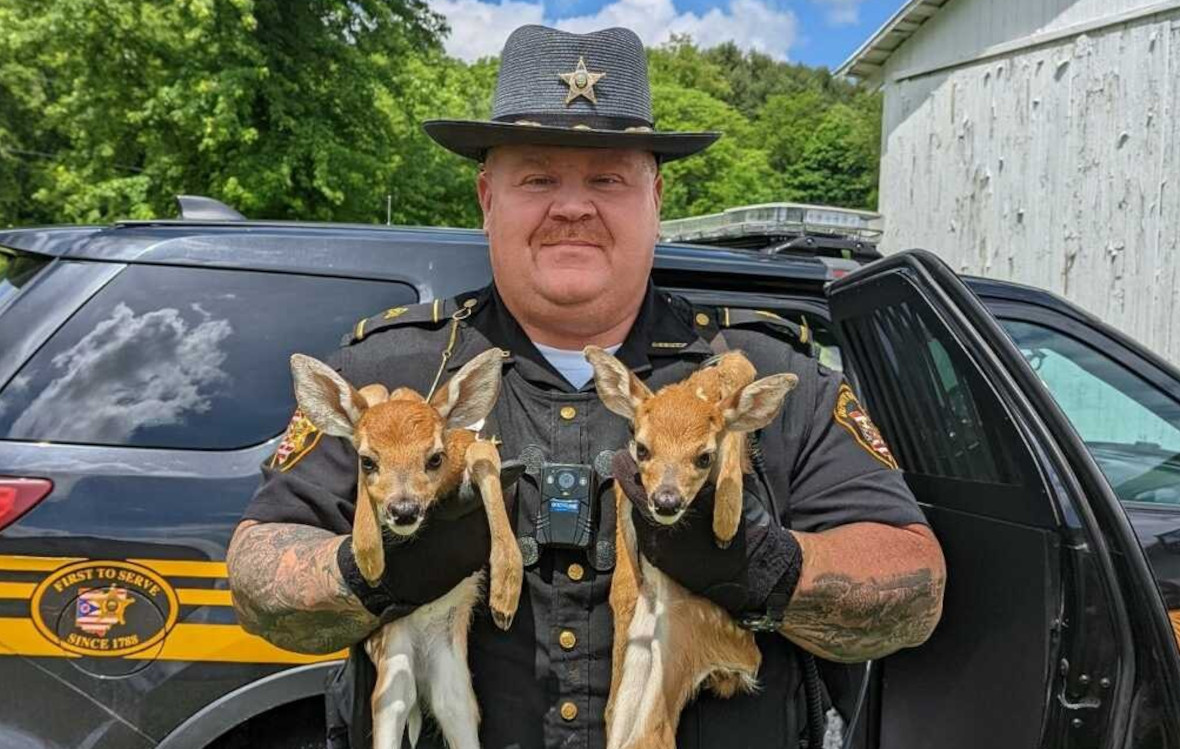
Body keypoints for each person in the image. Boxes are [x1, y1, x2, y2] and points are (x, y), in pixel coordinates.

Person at [228, 24, 946, 749]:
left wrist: (763, 563)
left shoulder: (760, 373)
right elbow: (257, 576)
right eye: (538, 177)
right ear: (486, 198)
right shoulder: (390, 374)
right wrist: (371, 574)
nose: (573, 206)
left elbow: (914, 588)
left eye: (607, 179)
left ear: (655, 197)